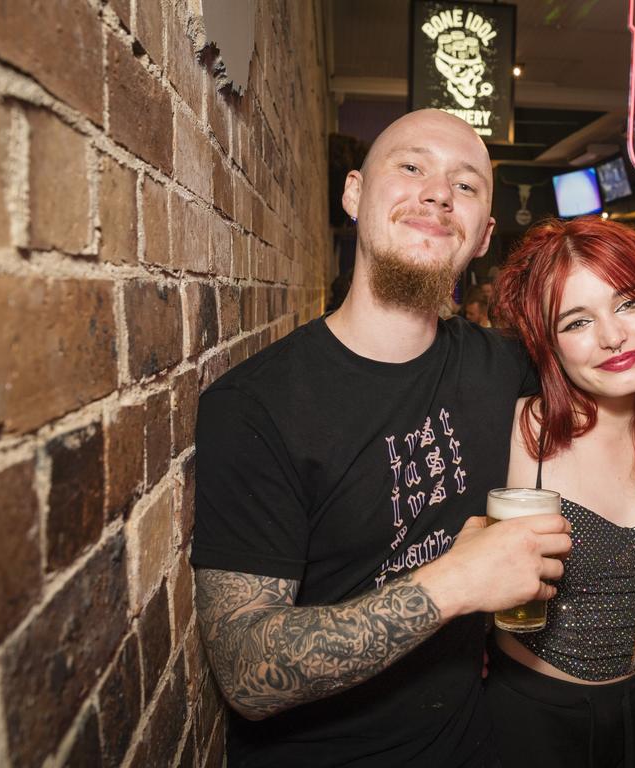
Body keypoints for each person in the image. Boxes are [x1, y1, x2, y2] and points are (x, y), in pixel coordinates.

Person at [190, 109, 572, 768]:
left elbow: (629, 364)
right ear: (353, 193)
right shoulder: (257, 406)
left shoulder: (498, 364)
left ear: (482, 236)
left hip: (470, 743)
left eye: (466, 185)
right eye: (412, 166)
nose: (437, 193)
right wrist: (454, 584)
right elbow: (247, 670)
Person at [487, 217, 635, 767]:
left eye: (629, 303)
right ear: (548, 344)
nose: (613, 337)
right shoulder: (512, 430)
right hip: (521, 719)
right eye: (577, 321)